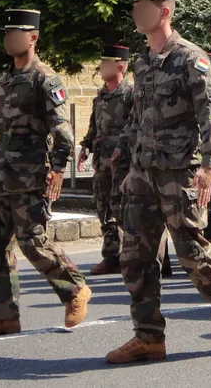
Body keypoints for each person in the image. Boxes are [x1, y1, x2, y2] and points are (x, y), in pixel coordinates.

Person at [103, 0, 211, 363]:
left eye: (145, 7)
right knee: (135, 255)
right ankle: (148, 336)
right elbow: (137, 117)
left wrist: (209, 165)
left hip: (179, 172)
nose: (137, 14)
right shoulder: (142, 62)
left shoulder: (190, 58)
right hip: (143, 172)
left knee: (190, 250)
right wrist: (124, 154)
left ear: (164, 11)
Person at [0, 9, 90, 337]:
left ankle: (74, 290)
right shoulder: (1, 84)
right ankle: (3, 315)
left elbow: (64, 133)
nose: (8, 39)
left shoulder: (45, 79)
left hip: (31, 177)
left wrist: (58, 169)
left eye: (16, 33)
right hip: (0, 178)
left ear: (32, 37)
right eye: (7, 33)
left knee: (33, 242)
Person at [79, 45, 134, 275]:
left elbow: (136, 127)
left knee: (122, 209)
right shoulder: (100, 97)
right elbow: (94, 128)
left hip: (123, 163)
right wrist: (85, 146)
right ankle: (111, 256)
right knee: (104, 210)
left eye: (106, 63)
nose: (100, 67)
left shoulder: (131, 94)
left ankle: (135, 255)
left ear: (120, 66)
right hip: (101, 162)